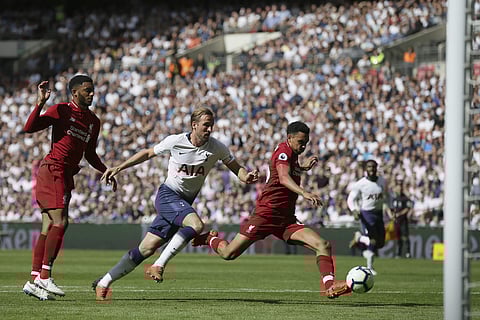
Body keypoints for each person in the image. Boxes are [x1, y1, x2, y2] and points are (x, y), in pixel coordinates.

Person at [92, 107, 258, 301]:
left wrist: (246, 176)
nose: (210, 129)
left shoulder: (217, 147)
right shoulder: (176, 141)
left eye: (211, 125)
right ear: (194, 125)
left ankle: (103, 283)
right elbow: (147, 153)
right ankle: (159, 265)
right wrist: (120, 167)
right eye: (206, 125)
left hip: (183, 203)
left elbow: (235, 167)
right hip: (167, 196)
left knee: (145, 248)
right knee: (196, 225)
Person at [192, 121, 351, 299]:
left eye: (306, 142)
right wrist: (304, 192)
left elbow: (287, 172)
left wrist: (301, 168)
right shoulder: (284, 152)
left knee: (323, 245)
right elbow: (283, 177)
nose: (303, 146)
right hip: (266, 214)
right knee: (229, 254)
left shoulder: (292, 154)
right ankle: (210, 238)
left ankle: (330, 286)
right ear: (289, 138)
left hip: (286, 219)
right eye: (300, 142)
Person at [22, 75, 117, 301]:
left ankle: (35, 278)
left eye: (93, 90)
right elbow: (29, 128)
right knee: (61, 222)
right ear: (75, 93)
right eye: (87, 90)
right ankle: (45, 275)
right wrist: (40, 103)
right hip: (54, 169)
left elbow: (90, 153)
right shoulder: (61, 110)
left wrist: (104, 169)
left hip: (65, 174)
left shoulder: (94, 121)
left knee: (48, 225)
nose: (92, 94)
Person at [347, 159, 388, 275]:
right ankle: (369, 267)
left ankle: (359, 238)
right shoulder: (360, 184)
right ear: (366, 169)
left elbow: (388, 196)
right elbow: (351, 199)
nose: (371, 169)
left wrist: (390, 209)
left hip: (379, 213)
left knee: (380, 243)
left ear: (376, 168)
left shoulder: (382, 181)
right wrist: (354, 210)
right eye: (369, 167)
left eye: (373, 167)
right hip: (366, 214)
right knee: (372, 241)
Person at [388, 182, 413, 258]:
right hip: (396, 221)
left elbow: (408, 208)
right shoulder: (394, 199)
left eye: (400, 188)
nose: (398, 190)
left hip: (403, 221)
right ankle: (398, 253)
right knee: (398, 238)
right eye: (397, 188)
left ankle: (408, 253)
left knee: (405, 237)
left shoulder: (405, 198)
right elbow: (391, 209)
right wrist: (392, 215)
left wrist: (399, 214)